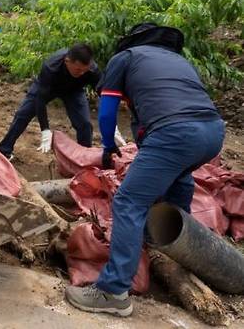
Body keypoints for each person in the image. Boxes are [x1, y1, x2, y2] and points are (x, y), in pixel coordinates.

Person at [65, 23, 225, 317]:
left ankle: (113, 292)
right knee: (180, 178)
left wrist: (108, 146)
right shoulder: (178, 61)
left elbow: (108, 108)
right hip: (213, 133)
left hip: (176, 133)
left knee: (129, 201)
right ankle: (173, 247)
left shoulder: (124, 58)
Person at [0, 43, 123, 160]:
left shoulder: (91, 70)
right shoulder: (51, 67)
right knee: (23, 114)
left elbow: (104, 94)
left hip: (74, 91)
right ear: (67, 61)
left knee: (84, 124)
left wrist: (112, 125)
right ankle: (4, 150)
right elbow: (40, 100)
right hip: (48, 87)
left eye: (85, 70)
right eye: (78, 70)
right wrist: (45, 130)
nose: (82, 73)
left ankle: (85, 157)